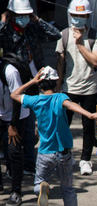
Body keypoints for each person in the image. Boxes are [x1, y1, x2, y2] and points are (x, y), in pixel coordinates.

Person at [11, 66, 96, 206]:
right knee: (68, 190)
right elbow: (71, 106)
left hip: (45, 152)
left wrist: (32, 81)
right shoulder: (60, 97)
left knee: (38, 183)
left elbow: (14, 94)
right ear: (57, 83)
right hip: (63, 152)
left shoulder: (35, 101)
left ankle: (41, 188)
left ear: (40, 84)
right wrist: (89, 114)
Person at [0, 0, 61, 175]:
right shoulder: (7, 31)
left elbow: (55, 34)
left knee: (29, 126)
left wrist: (37, 20)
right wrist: (4, 20)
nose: (23, 19)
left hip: (34, 83)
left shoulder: (33, 28)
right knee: (13, 125)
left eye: (26, 15)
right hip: (15, 83)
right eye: (20, 15)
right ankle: (13, 165)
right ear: (12, 15)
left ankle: (28, 163)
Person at [56, 0, 97, 176]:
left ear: (88, 16)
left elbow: (95, 61)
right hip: (68, 87)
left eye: (82, 15)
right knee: (64, 125)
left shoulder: (95, 36)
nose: (78, 19)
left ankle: (85, 160)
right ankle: (66, 154)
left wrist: (80, 44)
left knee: (88, 127)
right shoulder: (64, 34)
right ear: (70, 15)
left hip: (89, 88)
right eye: (75, 15)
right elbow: (60, 61)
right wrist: (58, 85)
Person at [1, 51, 31, 206]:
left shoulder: (10, 72)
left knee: (14, 151)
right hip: (1, 114)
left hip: (16, 115)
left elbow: (17, 100)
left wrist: (12, 125)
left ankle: (16, 192)